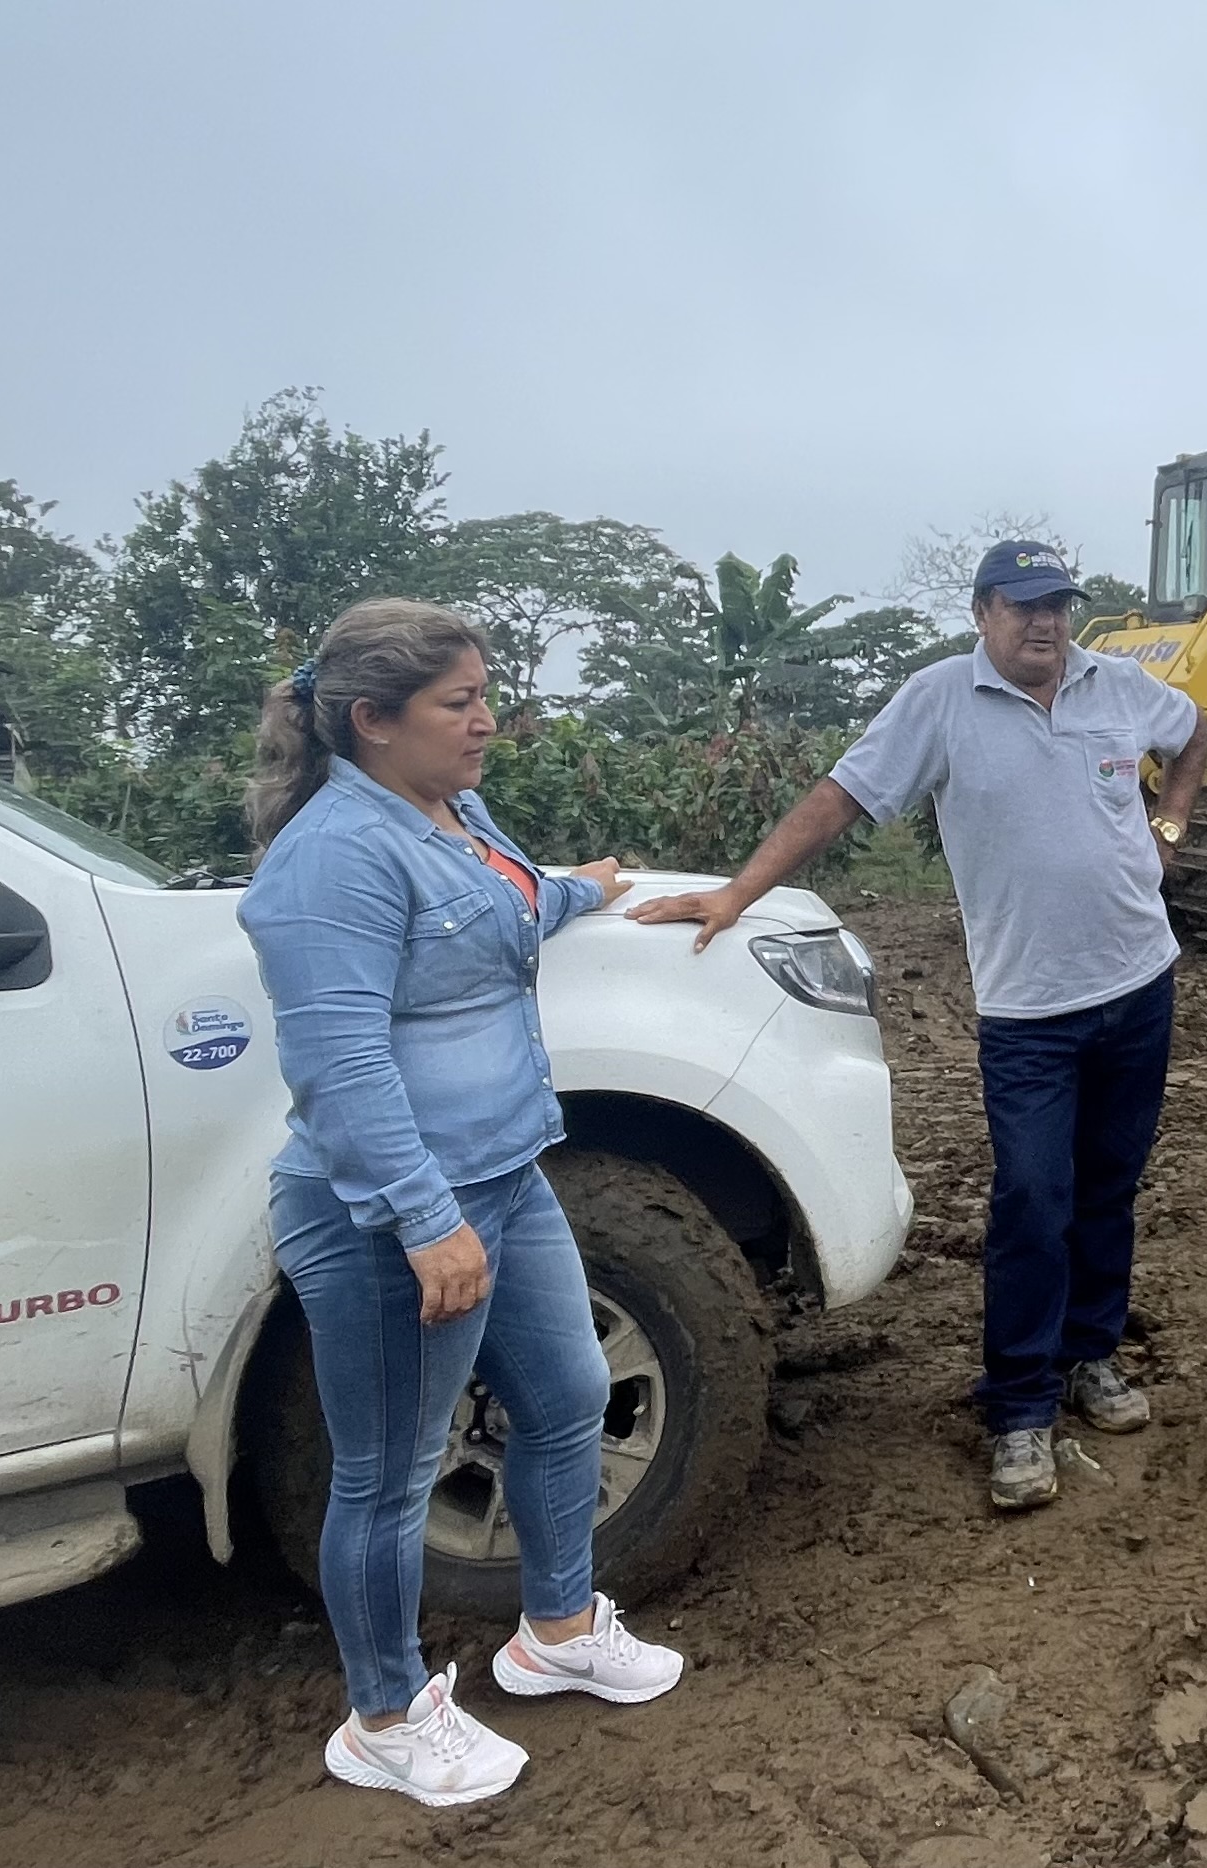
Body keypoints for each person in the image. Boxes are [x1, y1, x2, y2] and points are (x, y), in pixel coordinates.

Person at [635, 541, 1207, 1513]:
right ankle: (1020, 1405)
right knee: (1033, 1200)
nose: (1046, 622)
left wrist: (1171, 826)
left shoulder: (1117, 685)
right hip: (1030, 1012)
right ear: (983, 614)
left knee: (1111, 1186)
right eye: (1024, 606)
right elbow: (839, 799)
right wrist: (737, 892)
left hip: (1139, 985)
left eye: (1057, 604)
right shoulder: (941, 701)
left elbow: (1195, 734)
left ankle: (1091, 1355)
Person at [238, 599, 685, 1809]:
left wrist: (583, 889)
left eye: (486, 694)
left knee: (571, 1395)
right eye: (461, 702)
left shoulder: (453, 813)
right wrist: (424, 1219)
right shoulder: (333, 857)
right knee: (389, 1473)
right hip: (393, 1212)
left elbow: (507, 910)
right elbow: (338, 1063)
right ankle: (384, 1718)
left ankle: (556, 1632)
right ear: (373, 721)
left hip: (505, 1173)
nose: (489, 720)